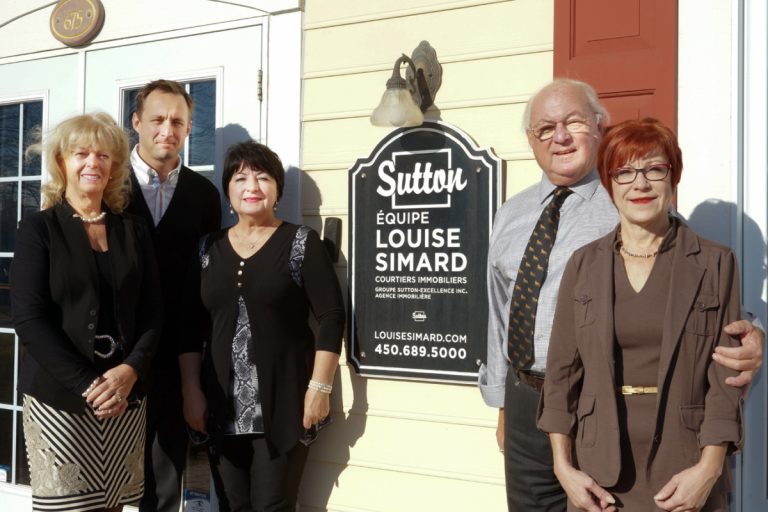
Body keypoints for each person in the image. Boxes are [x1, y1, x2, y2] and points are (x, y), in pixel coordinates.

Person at [478, 78, 764, 511]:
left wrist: (755, 331)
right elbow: (499, 313)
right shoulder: (510, 214)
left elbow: (694, 294)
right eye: (545, 128)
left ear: (598, 127)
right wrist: (502, 403)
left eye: (573, 122)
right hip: (526, 400)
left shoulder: (630, 199)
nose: (559, 137)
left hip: (603, 408)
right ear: (531, 139)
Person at [538, 118, 743, 511]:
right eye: (625, 171)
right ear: (609, 183)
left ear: (673, 176)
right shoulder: (583, 265)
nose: (641, 184)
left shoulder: (716, 263)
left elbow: (726, 379)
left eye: (655, 169)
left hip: (685, 469)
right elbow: (562, 374)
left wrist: (710, 468)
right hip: (598, 473)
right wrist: (563, 467)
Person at [11, 113, 163, 511]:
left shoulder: (133, 230)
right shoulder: (39, 228)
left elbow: (153, 312)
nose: (92, 163)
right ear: (62, 162)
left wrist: (132, 369)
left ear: (114, 166)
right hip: (59, 397)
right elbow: (28, 318)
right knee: (66, 507)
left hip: (124, 394)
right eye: (81, 154)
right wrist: (89, 385)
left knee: (113, 504)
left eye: (103, 155)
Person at [184, 140, 345, 511]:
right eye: (240, 178)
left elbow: (331, 317)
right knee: (230, 505)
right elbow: (188, 326)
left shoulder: (301, 244)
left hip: (285, 405)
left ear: (277, 191)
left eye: (263, 177)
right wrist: (191, 390)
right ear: (228, 190)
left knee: (274, 505)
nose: (252, 187)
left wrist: (320, 387)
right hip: (219, 408)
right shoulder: (206, 249)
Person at [125, 79, 222, 512]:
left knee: (165, 488)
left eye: (178, 121)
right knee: (100, 486)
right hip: (112, 363)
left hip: (176, 359)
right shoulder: (108, 184)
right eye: (158, 119)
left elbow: (202, 283)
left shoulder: (204, 196)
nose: (168, 128)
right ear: (136, 123)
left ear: (188, 129)